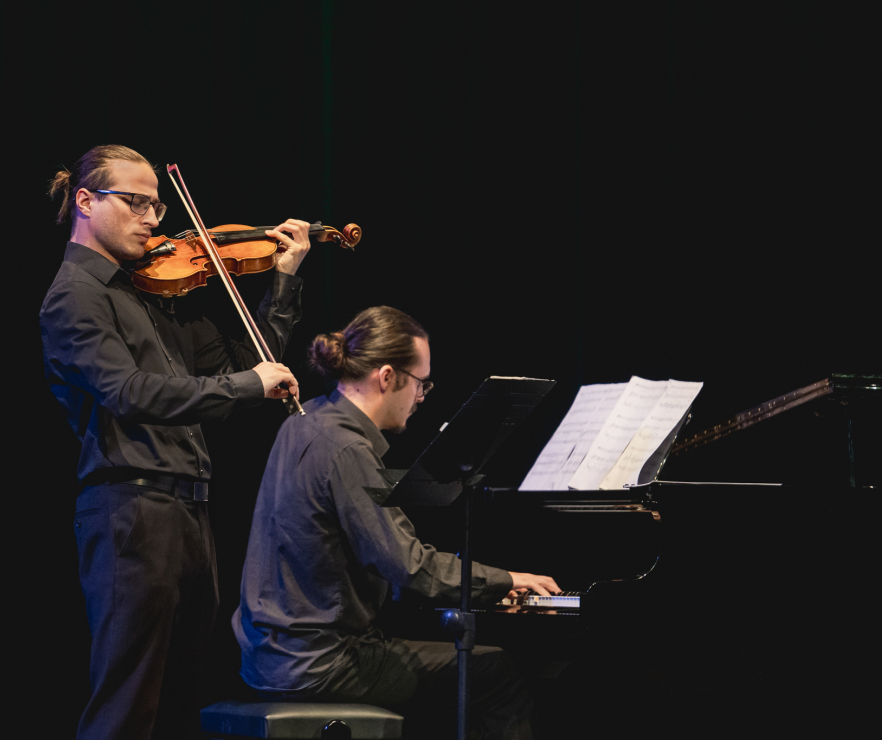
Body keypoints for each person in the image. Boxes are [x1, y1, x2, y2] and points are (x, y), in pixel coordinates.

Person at [40, 144, 313, 740]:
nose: (153, 219)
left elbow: (247, 361)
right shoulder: (75, 297)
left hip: (188, 511)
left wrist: (284, 283)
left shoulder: (151, 292)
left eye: (157, 206)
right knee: (126, 703)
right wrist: (247, 384)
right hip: (130, 515)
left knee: (179, 700)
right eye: (136, 203)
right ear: (86, 202)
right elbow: (131, 392)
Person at [232, 306, 561, 739]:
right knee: (494, 672)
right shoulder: (347, 449)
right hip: (319, 663)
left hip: (267, 655)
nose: (423, 397)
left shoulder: (305, 419)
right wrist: (505, 579)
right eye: (421, 383)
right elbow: (411, 568)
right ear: (387, 377)